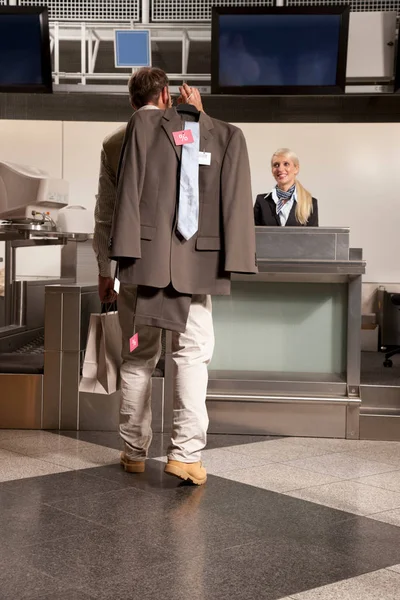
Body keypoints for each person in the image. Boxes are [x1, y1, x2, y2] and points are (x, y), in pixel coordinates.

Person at [93, 67, 257, 486]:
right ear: (166, 95)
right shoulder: (208, 131)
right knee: (192, 352)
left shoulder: (117, 141)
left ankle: (133, 451)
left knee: (138, 353)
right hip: (195, 266)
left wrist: (105, 270)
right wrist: (199, 116)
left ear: (132, 101)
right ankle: (185, 454)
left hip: (137, 264)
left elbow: (106, 214)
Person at [254, 148, 319, 227]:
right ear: (272, 170)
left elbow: (313, 238)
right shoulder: (261, 201)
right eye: (276, 165)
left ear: (296, 168)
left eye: (286, 164)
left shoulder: (310, 203)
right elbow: (254, 236)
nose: (280, 169)